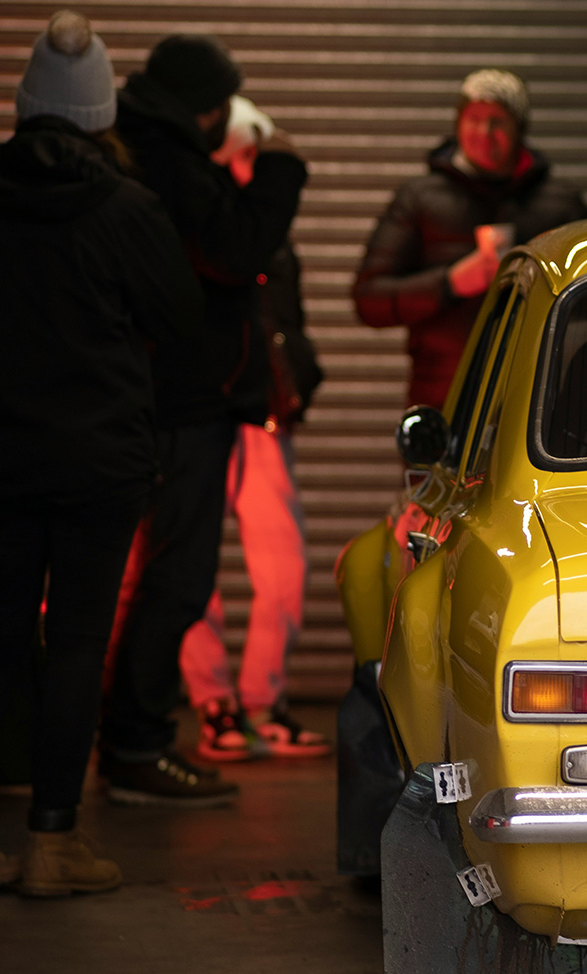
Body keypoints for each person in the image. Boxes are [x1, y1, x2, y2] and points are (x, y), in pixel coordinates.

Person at [0, 11, 203, 892]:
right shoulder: (128, 209)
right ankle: (53, 842)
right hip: (98, 463)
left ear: (27, 103)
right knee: (78, 640)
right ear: (98, 111)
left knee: (1, 635)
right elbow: (182, 330)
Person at [96, 33, 309, 804]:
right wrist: (281, 164)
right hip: (181, 406)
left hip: (156, 401)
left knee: (150, 578)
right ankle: (137, 745)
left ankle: (125, 738)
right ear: (211, 107)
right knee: (177, 579)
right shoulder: (172, 163)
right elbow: (236, 245)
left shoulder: (137, 148)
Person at [179, 96, 330, 761]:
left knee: (284, 565)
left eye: (255, 156)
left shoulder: (267, 226)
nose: (251, 169)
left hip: (264, 411)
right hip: (206, 408)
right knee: (192, 561)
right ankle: (213, 705)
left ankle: (264, 702)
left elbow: (285, 318)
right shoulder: (199, 219)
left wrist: (301, 370)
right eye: (242, 155)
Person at [352, 69, 587, 409]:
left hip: (537, 397)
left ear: (519, 128)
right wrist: (449, 283)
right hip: (443, 397)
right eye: (473, 118)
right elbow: (369, 300)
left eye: (497, 121)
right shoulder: (420, 198)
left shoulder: (561, 202)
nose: (484, 132)